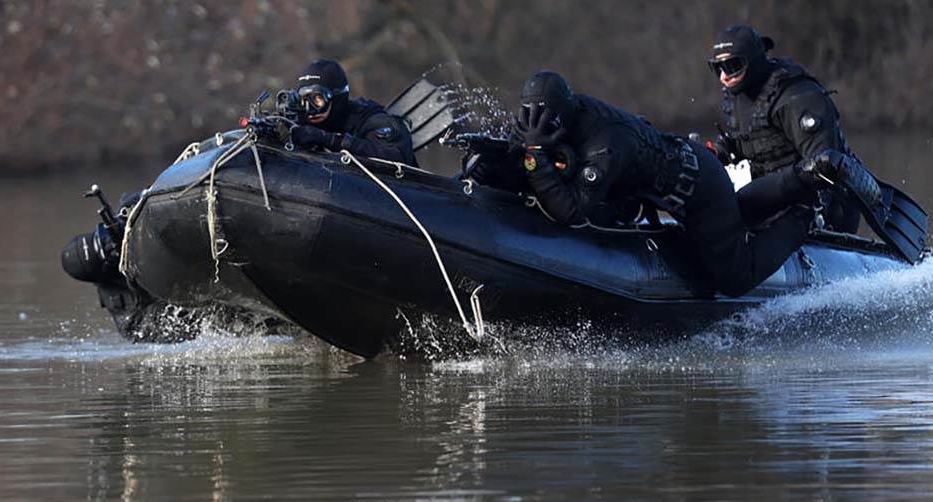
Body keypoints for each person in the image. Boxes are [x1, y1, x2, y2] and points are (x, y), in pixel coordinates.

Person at [477, 70, 816, 298]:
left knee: (733, 278)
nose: (535, 126)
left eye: (544, 120)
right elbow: (521, 156)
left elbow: (570, 210)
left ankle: (801, 214)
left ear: (564, 114)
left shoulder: (606, 140)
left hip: (696, 185)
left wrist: (536, 158)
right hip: (635, 190)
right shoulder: (539, 123)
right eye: (529, 117)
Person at [709, 25, 861, 233]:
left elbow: (826, 165)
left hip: (819, 209)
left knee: (742, 206)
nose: (724, 77)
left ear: (753, 60)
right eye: (717, 68)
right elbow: (745, 140)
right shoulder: (738, 96)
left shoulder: (796, 96)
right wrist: (715, 153)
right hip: (773, 200)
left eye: (732, 65)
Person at [279, 59, 417, 166]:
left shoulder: (369, 119)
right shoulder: (299, 122)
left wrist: (331, 140)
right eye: (304, 100)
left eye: (318, 98)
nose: (310, 109)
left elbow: (398, 156)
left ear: (337, 97)